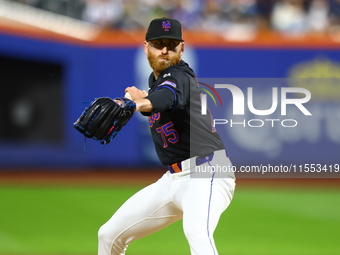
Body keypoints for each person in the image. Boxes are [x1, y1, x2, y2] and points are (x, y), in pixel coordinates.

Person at [98, 17, 236, 255]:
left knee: (198, 236)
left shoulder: (179, 76)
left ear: (181, 48)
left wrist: (136, 104)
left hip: (207, 173)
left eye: (171, 44)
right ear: (146, 47)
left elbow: (167, 98)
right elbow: (163, 105)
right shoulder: (156, 82)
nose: (164, 50)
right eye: (158, 43)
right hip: (173, 179)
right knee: (109, 235)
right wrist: (144, 102)